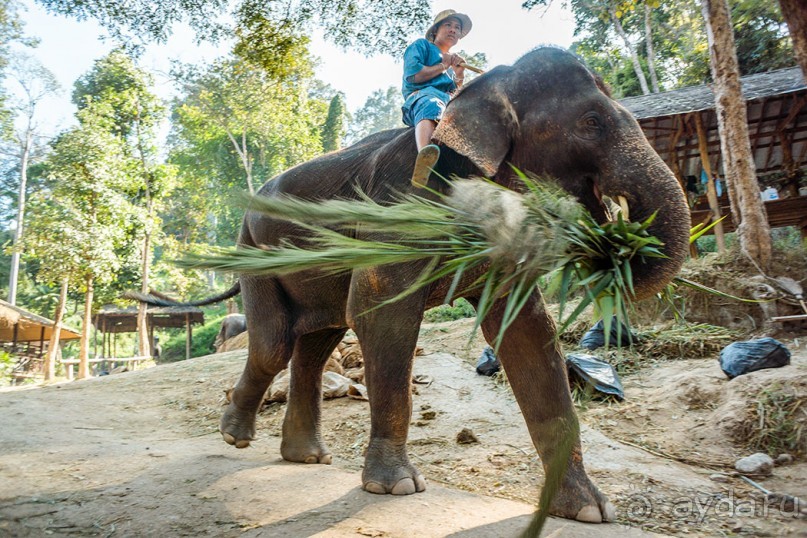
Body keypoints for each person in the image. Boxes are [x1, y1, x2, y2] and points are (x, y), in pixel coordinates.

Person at [401, 9, 472, 187]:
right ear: (435, 30)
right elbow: (414, 75)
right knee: (431, 103)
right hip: (422, 98)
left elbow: (455, 93)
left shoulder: (452, 64)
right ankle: (425, 158)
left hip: (446, 104)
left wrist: (459, 74)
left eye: (457, 27)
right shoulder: (421, 46)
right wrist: (443, 65)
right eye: (448, 24)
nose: (453, 29)